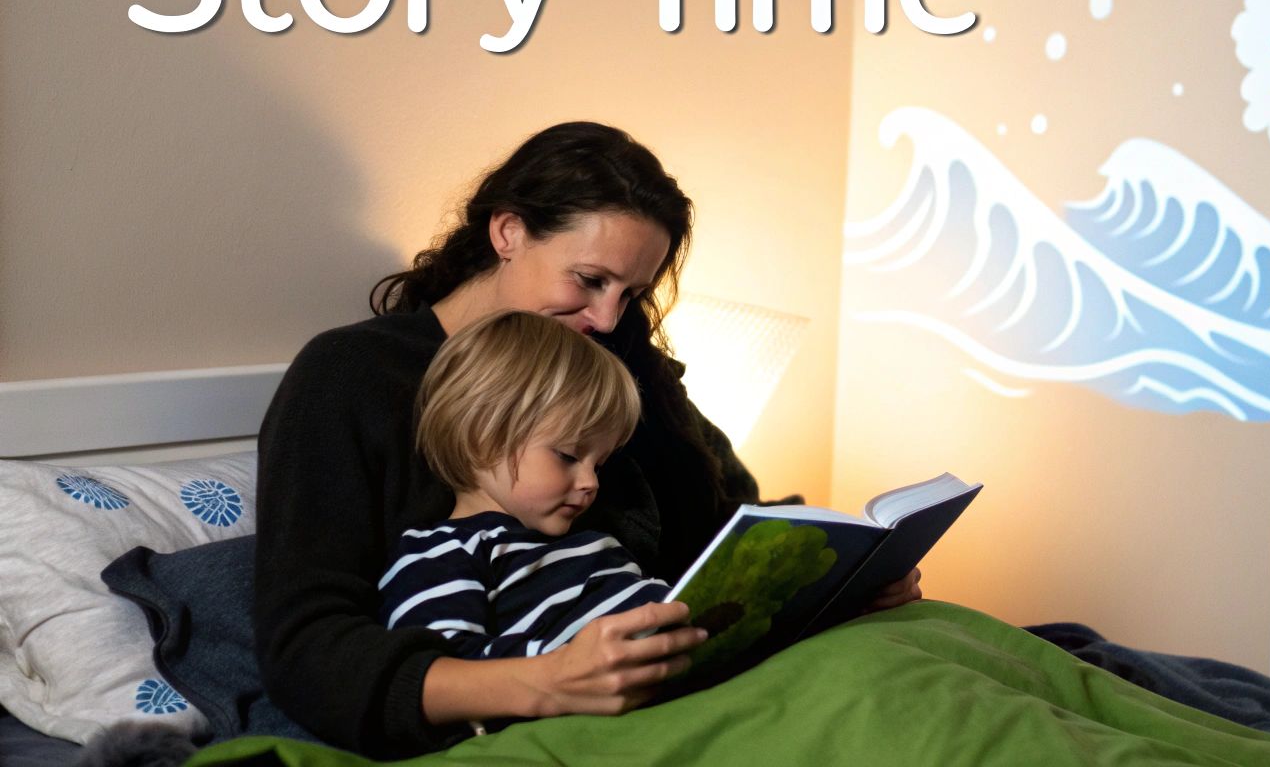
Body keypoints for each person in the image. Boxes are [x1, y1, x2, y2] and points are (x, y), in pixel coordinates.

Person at [254, 122, 922, 757]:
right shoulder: (353, 379)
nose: (606, 317)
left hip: (695, 684)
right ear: (508, 231)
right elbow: (309, 645)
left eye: (630, 294)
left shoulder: (624, 364)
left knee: (929, 668)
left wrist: (836, 582)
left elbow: (722, 532)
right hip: (563, 719)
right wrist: (546, 681)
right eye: (590, 280)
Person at [380, 310, 672, 661]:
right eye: (567, 455)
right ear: (481, 438)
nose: (591, 482)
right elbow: (451, 669)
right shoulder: (441, 555)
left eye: (599, 464)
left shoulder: (590, 542)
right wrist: (562, 664)